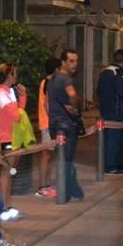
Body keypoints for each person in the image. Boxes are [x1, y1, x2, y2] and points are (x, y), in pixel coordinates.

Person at [0, 63, 27, 220]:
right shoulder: (1, 93)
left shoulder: (8, 91)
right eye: (14, 73)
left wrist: (22, 98)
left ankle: (7, 206)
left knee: (10, 172)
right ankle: (4, 208)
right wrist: (23, 97)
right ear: (8, 76)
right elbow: (17, 116)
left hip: (13, 136)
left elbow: (18, 114)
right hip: (6, 137)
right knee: (6, 173)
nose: (16, 76)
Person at [48, 50, 85, 203]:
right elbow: (72, 94)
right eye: (71, 61)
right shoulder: (66, 80)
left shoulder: (52, 79)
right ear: (63, 62)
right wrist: (74, 107)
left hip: (54, 124)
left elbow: (47, 103)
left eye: (76, 61)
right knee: (67, 160)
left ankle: (71, 191)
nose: (74, 64)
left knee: (63, 159)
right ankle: (69, 191)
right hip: (67, 124)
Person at [98, 50, 123, 175]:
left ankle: (106, 163)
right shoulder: (118, 73)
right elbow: (122, 92)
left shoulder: (104, 72)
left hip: (105, 109)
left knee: (107, 138)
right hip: (116, 110)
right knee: (114, 139)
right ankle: (111, 166)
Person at [35, 58, 60, 198]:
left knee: (49, 155)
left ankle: (47, 184)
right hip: (48, 124)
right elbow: (47, 105)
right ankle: (42, 186)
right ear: (56, 69)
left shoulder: (47, 82)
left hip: (48, 123)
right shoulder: (49, 83)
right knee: (46, 155)